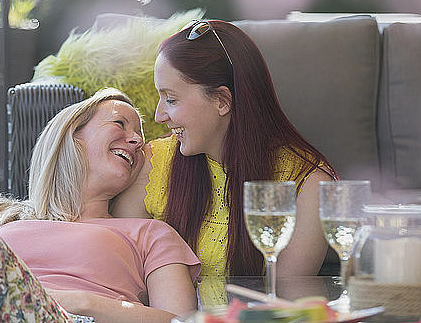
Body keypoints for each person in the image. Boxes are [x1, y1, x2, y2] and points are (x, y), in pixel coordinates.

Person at [0, 88, 200, 323]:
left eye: (139, 138)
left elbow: (181, 321)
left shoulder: (150, 233)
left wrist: (80, 302)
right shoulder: (1, 219)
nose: (135, 141)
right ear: (71, 135)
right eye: (120, 123)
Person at [112, 20, 338, 277]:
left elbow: (286, 301)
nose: (159, 116)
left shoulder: (307, 184)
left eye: (171, 99)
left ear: (222, 101)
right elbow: (122, 276)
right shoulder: (153, 163)